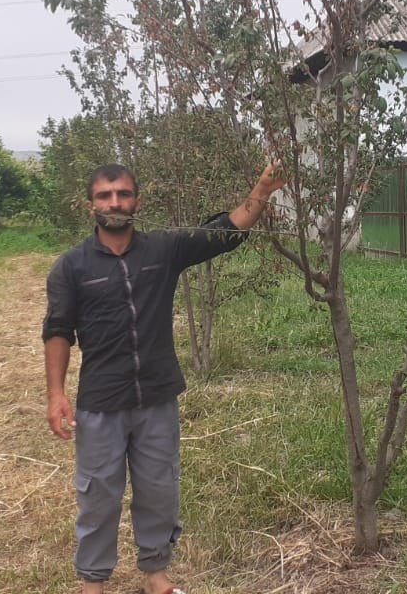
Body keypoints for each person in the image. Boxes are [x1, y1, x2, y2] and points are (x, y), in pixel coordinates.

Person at [43, 161, 284, 594]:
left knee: (158, 491)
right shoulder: (71, 267)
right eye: (104, 195)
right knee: (98, 497)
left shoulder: (162, 249)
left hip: (157, 398)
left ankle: (156, 577)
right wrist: (56, 393)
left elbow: (226, 232)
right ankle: (93, 584)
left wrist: (262, 190)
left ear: (137, 200)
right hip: (101, 402)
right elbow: (58, 331)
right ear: (90, 205)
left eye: (122, 194)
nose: (114, 202)